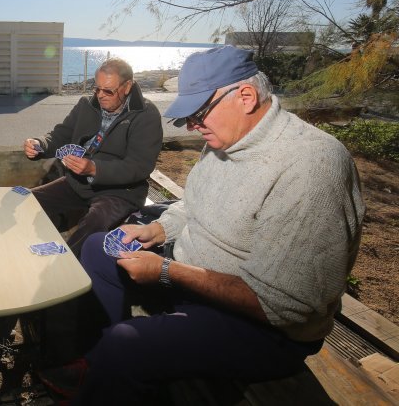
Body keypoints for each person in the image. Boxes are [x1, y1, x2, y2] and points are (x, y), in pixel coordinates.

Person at [44, 46, 365, 403]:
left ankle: (110, 366)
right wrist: (160, 229)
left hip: (264, 329)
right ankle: (95, 359)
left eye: (199, 114)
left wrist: (168, 271)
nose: (193, 127)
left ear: (245, 96)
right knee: (95, 247)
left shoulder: (311, 167)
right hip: (191, 276)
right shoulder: (224, 140)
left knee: (126, 346)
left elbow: (287, 304)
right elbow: (192, 203)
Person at [23, 57, 162, 253]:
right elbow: (61, 134)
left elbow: (140, 166)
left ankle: (69, 271)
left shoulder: (146, 115)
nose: (100, 95)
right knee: (28, 201)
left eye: (108, 91)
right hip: (78, 182)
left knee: (93, 225)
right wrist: (39, 143)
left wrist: (95, 169)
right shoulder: (86, 105)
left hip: (120, 193)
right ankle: (20, 250)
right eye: (96, 88)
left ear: (128, 86)